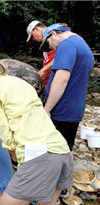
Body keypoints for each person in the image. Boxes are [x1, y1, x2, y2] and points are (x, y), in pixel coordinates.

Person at [0, 58, 72, 205]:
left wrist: (13, 152)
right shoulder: (19, 82)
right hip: (62, 150)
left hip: (38, 155)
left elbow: (3, 130)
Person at [41, 23, 94, 151]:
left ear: (53, 33)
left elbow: (62, 79)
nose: (50, 47)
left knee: (54, 151)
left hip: (61, 110)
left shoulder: (66, 45)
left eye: (48, 42)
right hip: (74, 109)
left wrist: (47, 109)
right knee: (65, 148)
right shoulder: (82, 44)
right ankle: (67, 171)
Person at [26, 20, 55, 85]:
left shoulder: (55, 36)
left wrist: (43, 70)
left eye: (32, 36)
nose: (33, 39)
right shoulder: (45, 43)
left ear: (36, 29)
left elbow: (61, 57)